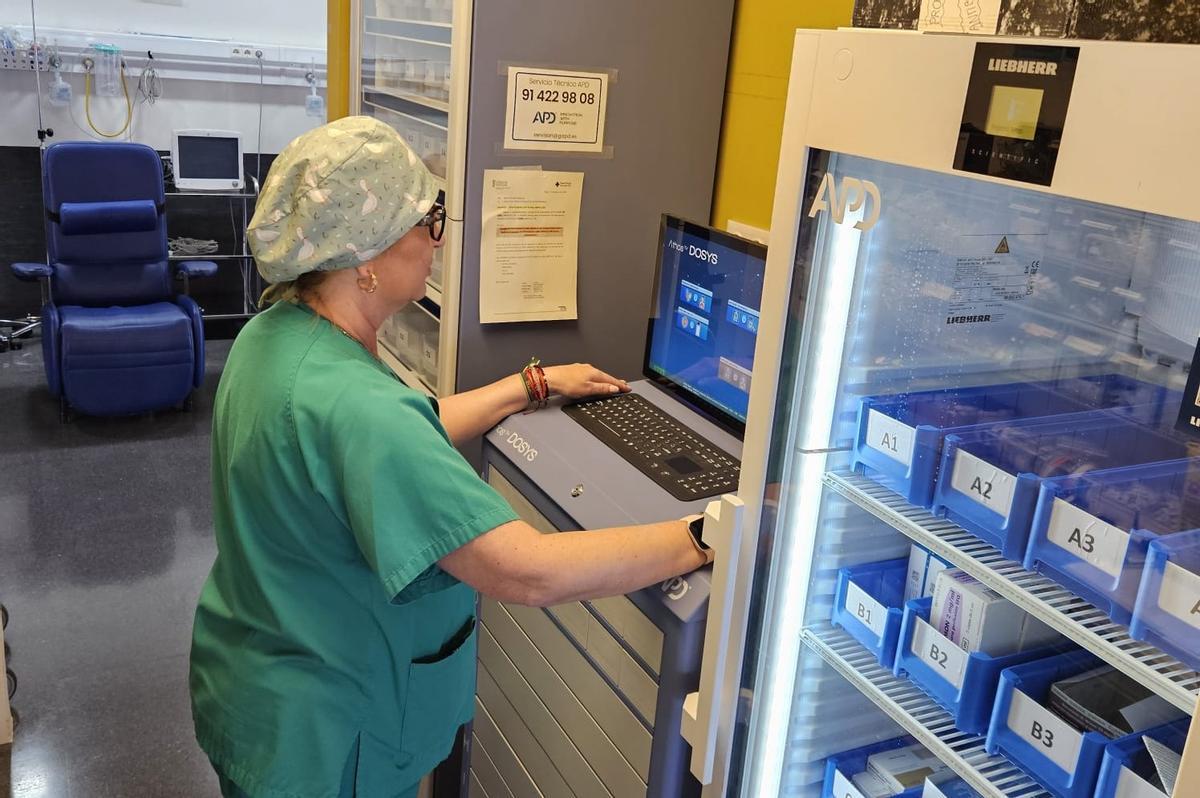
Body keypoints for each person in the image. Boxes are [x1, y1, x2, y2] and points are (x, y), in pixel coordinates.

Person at [189, 116, 714, 798]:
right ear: (366, 257)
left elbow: (389, 438)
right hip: (334, 740)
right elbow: (528, 573)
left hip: (258, 692)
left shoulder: (273, 338)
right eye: (428, 220)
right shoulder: (363, 412)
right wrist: (703, 536)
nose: (439, 238)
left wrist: (531, 385)